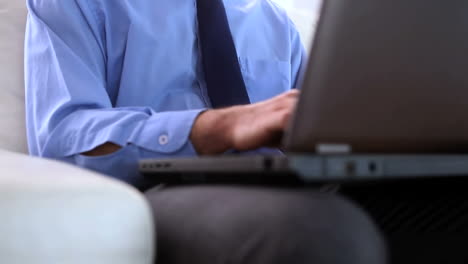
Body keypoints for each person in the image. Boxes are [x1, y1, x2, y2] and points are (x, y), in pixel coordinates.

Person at [25, 0, 387, 263]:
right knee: (321, 230)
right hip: (154, 189)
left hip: (277, 181)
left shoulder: (273, 21)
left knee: (422, 208)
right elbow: (62, 137)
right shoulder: (76, 4)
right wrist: (218, 128)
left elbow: (318, 126)